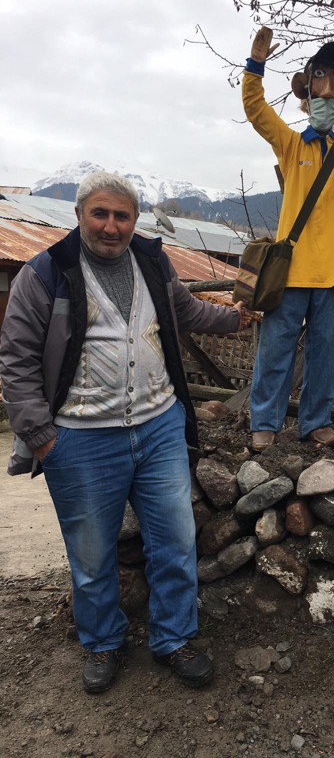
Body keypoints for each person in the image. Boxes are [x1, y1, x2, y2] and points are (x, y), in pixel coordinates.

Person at [0, 171, 252, 694]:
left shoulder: (153, 262)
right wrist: (43, 436)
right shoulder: (45, 273)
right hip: (80, 438)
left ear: (135, 219)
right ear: (79, 215)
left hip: (159, 429)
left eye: (122, 215)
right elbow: (17, 360)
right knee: (91, 556)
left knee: (175, 542)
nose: (111, 226)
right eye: (101, 213)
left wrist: (235, 320)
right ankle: (103, 642)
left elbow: (185, 310)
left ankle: (174, 638)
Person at [242, 26, 334, 452]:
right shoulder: (291, 144)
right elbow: (257, 109)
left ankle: (317, 422)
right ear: (307, 90)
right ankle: (264, 422)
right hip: (291, 272)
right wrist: (255, 65)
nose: (327, 91)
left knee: (326, 354)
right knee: (276, 349)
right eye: (320, 79)